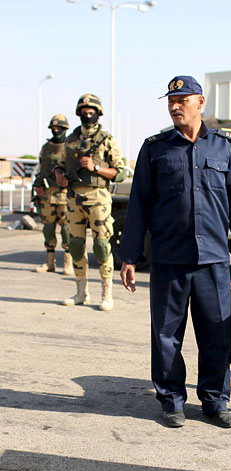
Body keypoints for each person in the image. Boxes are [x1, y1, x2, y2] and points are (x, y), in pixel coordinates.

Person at [118, 76, 231, 429]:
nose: (175, 106)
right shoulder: (155, 148)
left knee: (216, 335)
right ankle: (172, 402)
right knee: (166, 336)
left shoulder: (224, 147)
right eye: (170, 101)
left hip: (213, 260)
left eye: (182, 99)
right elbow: (138, 205)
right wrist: (129, 256)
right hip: (169, 260)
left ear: (200, 102)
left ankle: (215, 401)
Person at [54, 94, 125, 311]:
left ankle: (107, 294)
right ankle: (81, 292)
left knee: (102, 246)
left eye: (91, 111)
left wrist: (96, 168)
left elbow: (120, 173)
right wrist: (59, 175)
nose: (87, 114)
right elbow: (59, 165)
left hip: (98, 199)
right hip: (74, 199)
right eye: (84, 111)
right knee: (75, 246)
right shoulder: (71, 140)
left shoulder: (107, 139)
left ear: (98, 113)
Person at [33, 114, 73, 275]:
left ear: (64, 129)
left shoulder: (70, 147)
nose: (56, 130)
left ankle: (68, 262)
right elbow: (41, 169)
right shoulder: (46, 148)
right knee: (48, 228)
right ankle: (49, 262)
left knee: (66, 229)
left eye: (59, 128)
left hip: (64, 194)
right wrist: (37, 185)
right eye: (53, 128)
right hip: (47, 195)